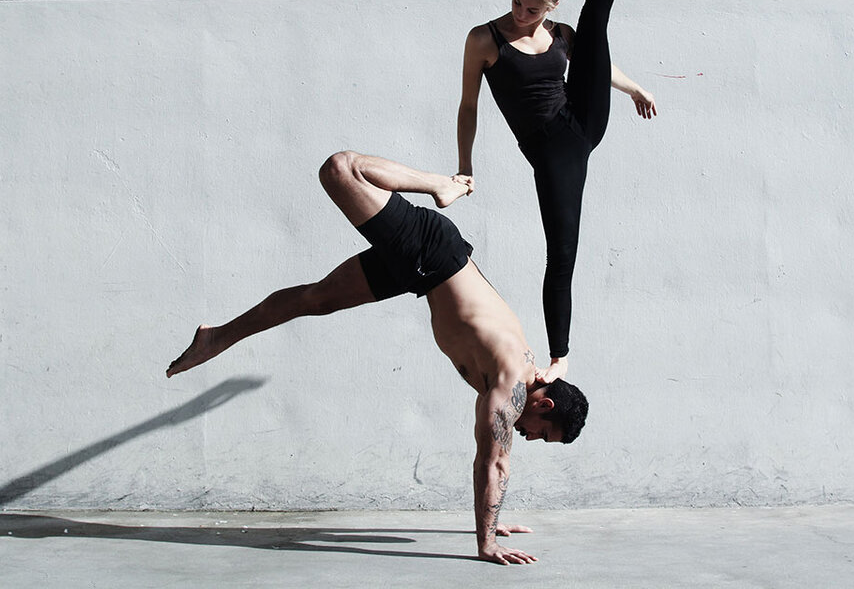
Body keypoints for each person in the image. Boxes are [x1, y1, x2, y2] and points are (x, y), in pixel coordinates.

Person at [166, 150, 589, 566]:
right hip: (431, 251)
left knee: (316, 299)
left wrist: (493, 522)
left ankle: (216, 337)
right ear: (544, 404)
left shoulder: (514, 382)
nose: (530, 438)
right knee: (340, 170)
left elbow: (493, 465)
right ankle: (441, 184)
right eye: (541, 433)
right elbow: (493, 462)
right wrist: (487, 543)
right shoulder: (511, 383)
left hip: (421, 272)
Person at [456, 0, 656, 385]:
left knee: (598, 16)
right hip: (552, 148)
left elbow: (598, 67)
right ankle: (561, 353)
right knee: (563, 246)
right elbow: (469, 106)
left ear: (547, 8)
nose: (521, 14)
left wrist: (635, 88)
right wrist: (463, 166)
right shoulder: (485, 39)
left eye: (532, 9)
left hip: (585, 121)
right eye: (518, 2)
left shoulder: (561, 35)